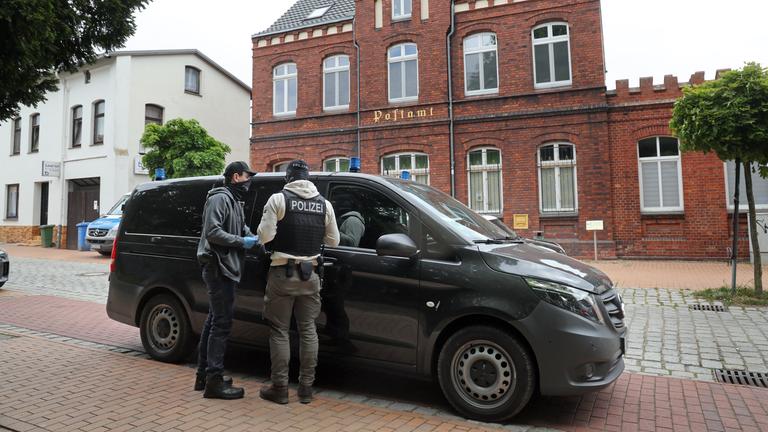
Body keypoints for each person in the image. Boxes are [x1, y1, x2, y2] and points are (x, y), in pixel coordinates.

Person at [257, 160, 339, 404]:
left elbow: (265, 236)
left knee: (280, 331)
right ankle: (306, 389)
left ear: (288, 179)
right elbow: (334, 241)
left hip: (283, 273)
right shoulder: (324, 204)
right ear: (308, 178)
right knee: (308, 331)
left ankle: (280, 388)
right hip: (310, 275)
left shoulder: (278, 199)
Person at [195, 161, 260, 400]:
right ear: (235, 177)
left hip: (225, 267)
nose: (248, 182)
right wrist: (241, 242)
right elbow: (213, 232)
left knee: (214, 320)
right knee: (221, 323)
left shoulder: (233, 200)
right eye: (246, 177)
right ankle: (214, 381)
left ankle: (204, 375)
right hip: (218, 267)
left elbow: (240, 226)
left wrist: (252, 236)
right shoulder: (219, 198)